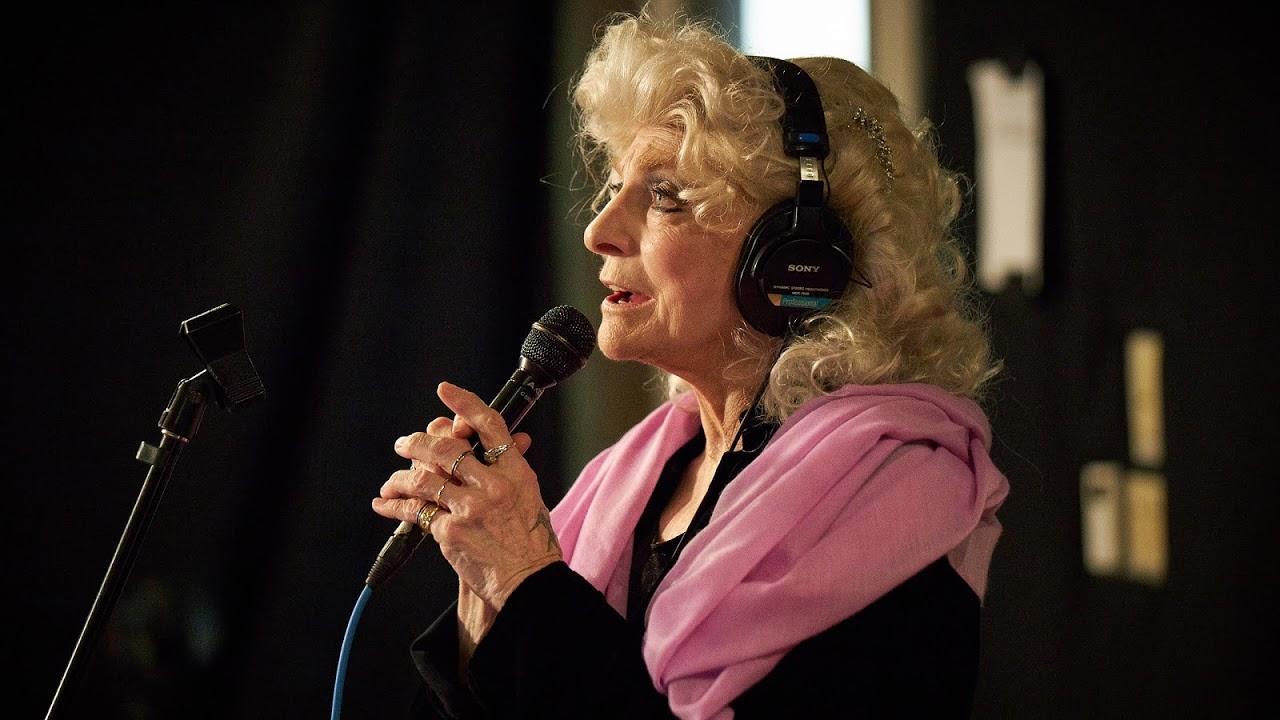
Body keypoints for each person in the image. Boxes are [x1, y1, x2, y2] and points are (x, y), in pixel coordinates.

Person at [371, 9, 1009, 719]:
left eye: (664, 197)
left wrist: (526, 577)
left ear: (797, 256)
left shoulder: (895, 495)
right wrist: (484, 598)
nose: (598, 230)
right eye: (612, 187)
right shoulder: (630, 477)